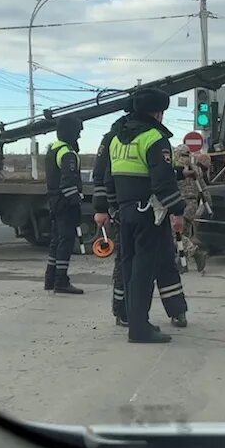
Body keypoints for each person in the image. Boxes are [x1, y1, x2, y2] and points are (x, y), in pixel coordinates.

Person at [107, 88, 187, 343]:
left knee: (129, 267)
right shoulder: (154, 138)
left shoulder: (117, 138)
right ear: (158, 112)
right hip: (148, 214)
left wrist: (110, 206)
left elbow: (109, 178)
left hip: (125, 211)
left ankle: (133, 319)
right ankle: (140, 329)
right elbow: (162, 182)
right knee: (144, 270)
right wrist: (177, 211)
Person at [92, 96, 133, 326]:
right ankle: (122, 310)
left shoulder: (121, 135)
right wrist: (101, 208)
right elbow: (99, 174)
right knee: (125, 260)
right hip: (121, 208)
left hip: (129, 207)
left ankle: (126, 309)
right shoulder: (113, 137)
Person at [44, 116, 85, 295]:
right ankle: (61, 280)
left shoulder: (53, 149)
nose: (80, 136)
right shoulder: (67, 153)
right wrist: (76, 203)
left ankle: (50, 278)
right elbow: (68, 183)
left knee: (56, 240)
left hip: (54, 201)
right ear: (71, 131)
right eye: (78, 132)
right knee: (66, 241)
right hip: (65, 203)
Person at [174, 144, 212, 273]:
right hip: (193, 204)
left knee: (175, 234)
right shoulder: (197, 169)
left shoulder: (176, 167)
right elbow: (204, 188)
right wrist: (208, 205)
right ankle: (182, 264)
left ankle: (195, 253)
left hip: (180, 204)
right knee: (184, 234)